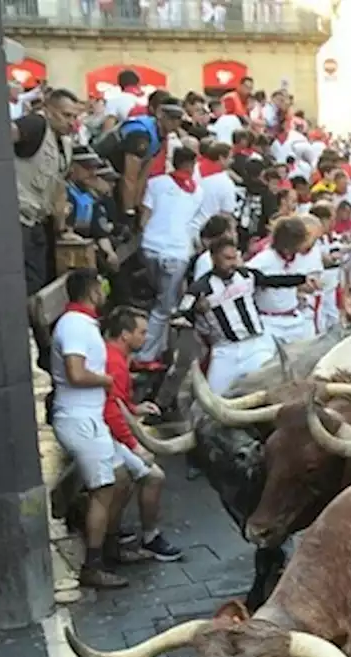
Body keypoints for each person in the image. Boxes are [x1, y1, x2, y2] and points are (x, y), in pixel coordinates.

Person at [49, 271, 133, 589]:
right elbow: (75, 372)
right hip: (80, 419)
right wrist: (106, 380)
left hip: (91, 418)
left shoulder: (83, 324)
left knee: (122, 478)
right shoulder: (73, 325)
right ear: (92, 290)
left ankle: (108, 542)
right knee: (103, 490)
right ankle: (93, 564)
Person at [101, 305, 183, 562]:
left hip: (107, 432)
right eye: (141, 332)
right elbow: (112, 410)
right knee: (153, 476)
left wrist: (135, 408)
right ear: (125, 335)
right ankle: (149, 538)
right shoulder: (115, 362)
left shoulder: (117, 357)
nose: (145, 337)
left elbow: (118, 402)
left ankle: (114, 535)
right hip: (108, 434)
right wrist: (134, 445)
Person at [135, 146, 207, 370]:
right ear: (192, 165)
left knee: (161, 299)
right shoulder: (197, 192)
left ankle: (159, 347)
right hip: (176, 252)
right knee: (164, 307)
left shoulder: (156, 183)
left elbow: (144, 216)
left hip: (150, 247)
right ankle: (145, 356)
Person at [187, 237, 282, 394]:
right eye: (227, 258)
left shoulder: (247, 276)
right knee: (215, 396)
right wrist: (195, 311)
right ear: (213, 258)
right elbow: (180, 316)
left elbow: (272, 281)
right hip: (224, 350)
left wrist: (302, 279)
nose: (232, 263)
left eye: (234, 258)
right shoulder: (199, 288)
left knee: (269, 388)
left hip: (255, 346)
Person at [248, 216, 324, 343]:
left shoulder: (296, 258)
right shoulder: (263, 260)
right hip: (270, 323)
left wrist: (302, 287)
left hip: (295, 320)